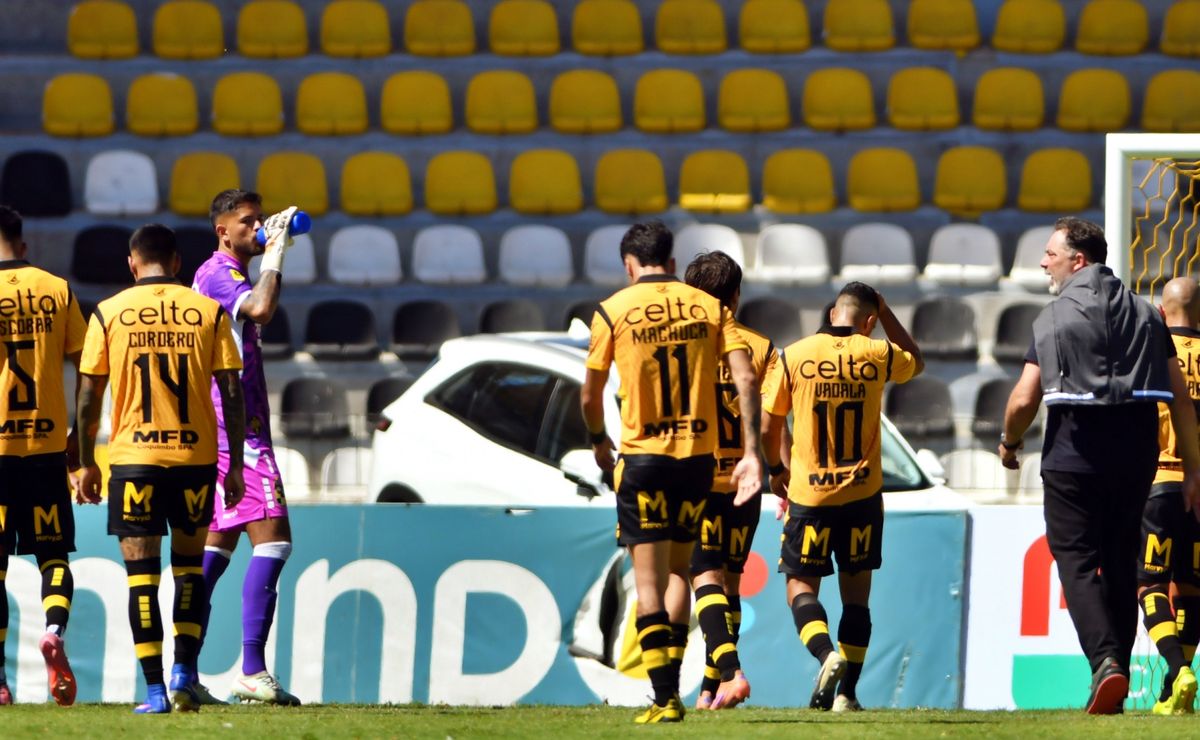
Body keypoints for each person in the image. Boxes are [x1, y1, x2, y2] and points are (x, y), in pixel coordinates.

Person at [1000, 217, 1200, 715]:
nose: (1043, 263)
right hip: (1136, 458)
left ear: (1078, 260)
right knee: (1121, 560)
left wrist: (1009, 441)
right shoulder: (1148, 315)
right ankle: (1121, 679)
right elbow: (1180, 399)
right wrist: (1194, 469)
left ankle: (1106, 662)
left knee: (1075, 557)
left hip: (1074, 455)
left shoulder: (1052, 317)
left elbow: (1023, 398)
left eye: (1050, 254)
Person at [580, 222, 764, 723]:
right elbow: (746, 378)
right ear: (672, 261)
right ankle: (676, 688)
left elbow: (590, 395)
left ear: (629, 264)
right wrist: (751, 451)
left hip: (644, 458)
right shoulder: (708, 307)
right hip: (697, 462)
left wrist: (598, 440)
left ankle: (664, 697)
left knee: (649, 584)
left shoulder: (612, 310)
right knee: (683, 572)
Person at [74, 224, 246, 713]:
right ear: (177, 263)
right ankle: (183, 675)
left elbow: (88, 396)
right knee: (190, 570)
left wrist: (85, 462)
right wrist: (234, 465)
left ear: (132, 263)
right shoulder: (208, 312)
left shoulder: (108, 312)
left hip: (135, 461)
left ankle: (154, 692)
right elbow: (232, 392)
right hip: (195, 459)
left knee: (142, 579)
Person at [756, 282, 922, 712]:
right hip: (863, 496)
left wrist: (776, 471)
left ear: (833, 314)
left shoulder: (794, 356)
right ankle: (847, 693)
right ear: (869, 322)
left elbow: (769, 426)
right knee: (857, 597)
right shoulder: (878, 353)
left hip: (811, 496)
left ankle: (825, 654)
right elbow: (916, 360)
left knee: (799, 587)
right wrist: (886, 313)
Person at [190, 190, 301, 706]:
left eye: (261, 219)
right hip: (237, 429)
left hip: (229, 424)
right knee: (274, 540)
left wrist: (270, 251)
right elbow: (261, 308)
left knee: (214, 552)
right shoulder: (218, 273)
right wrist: (275, 255)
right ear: (223, 230)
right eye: (247, 222)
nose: (257, 227)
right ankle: (251, 670)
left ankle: (182, 669)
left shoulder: (224, 273)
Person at [682, 251, 778, 710]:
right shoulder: (761, 348)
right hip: (746, 480)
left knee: (704, 577)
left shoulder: (683, 345)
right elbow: (772, 420)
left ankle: (731, 675)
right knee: (731, 585)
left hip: (700, 477)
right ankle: (709, 691)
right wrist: (777, 470)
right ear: (736, 296)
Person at [0, 205, 88, 706]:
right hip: (47, 446)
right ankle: (54, 630)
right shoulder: (56, 288)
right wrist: (79, 437)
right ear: (23, 244)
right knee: (53, 555)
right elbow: (87, 366)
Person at [1136, 276, 1200, 715]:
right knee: (1193, 587)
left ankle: (1178, 672)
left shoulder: (1150, 353)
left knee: (1150, 584)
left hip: (1160, 482)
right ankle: (1172, 694)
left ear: (1161, 312)